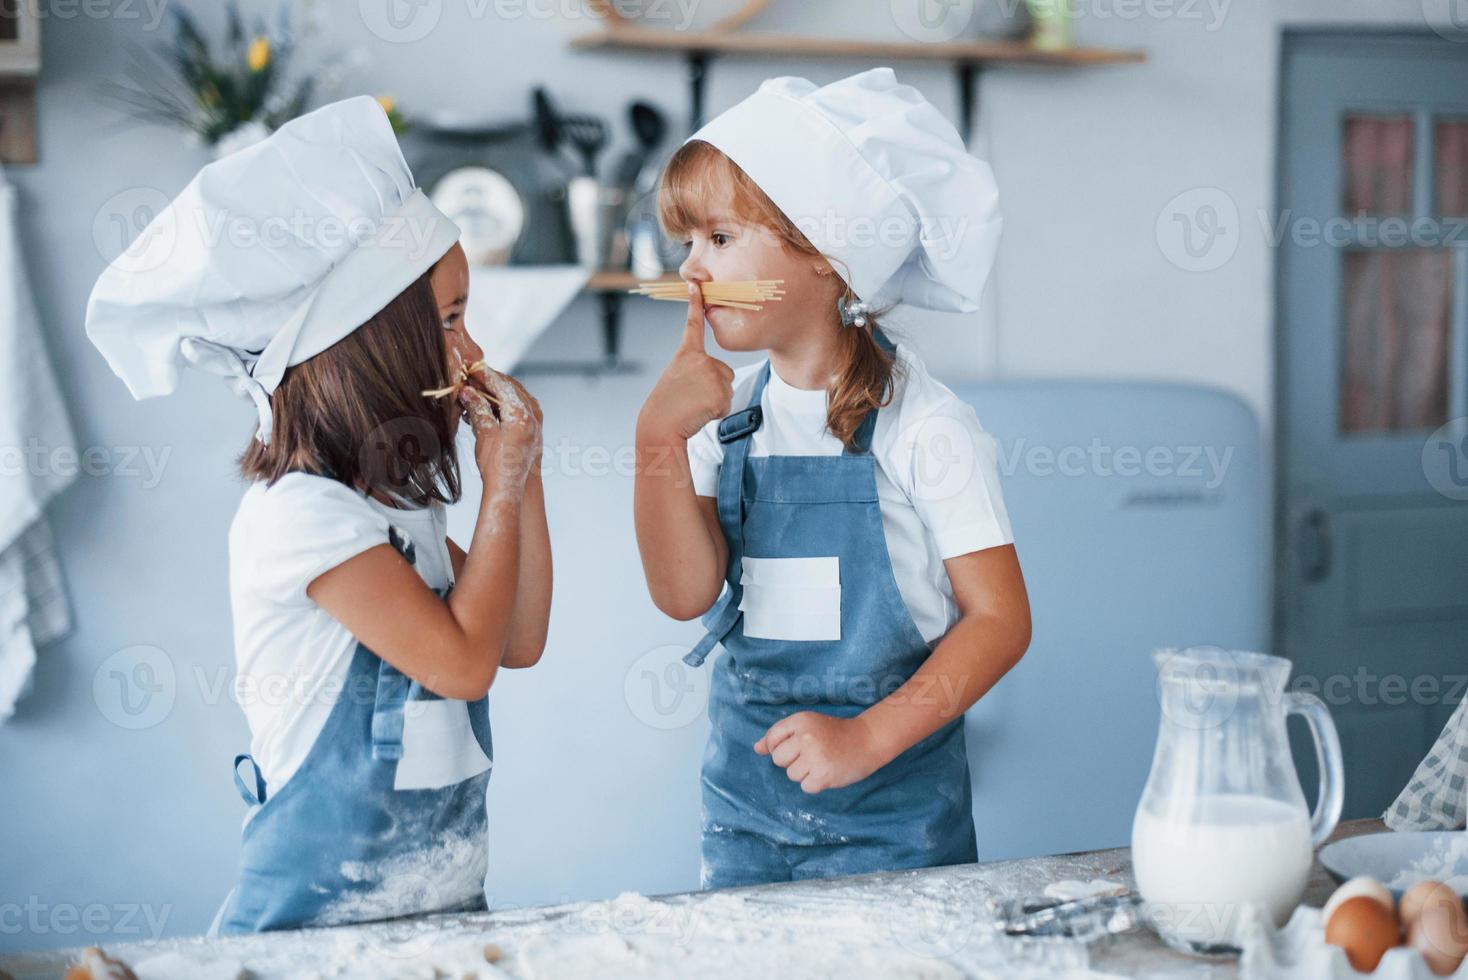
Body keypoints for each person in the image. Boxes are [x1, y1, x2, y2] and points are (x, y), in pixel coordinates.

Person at [85, 96, 551, 931]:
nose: (473, 352)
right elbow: (462, 664)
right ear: (369, 344)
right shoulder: (303, 519)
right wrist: (503, 488)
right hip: (310, 932)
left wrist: (524, 477)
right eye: (449, 321)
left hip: (436, 921)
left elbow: (517, 639)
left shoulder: (398, 510)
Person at [634, 68, 1032, 888]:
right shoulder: (719, 419)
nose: (694, 271)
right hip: (744, 816)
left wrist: (866, 740)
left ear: (823, 254)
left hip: (897, 828)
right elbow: (682, 594)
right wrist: (658, 441)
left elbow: (1000, 621)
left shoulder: (927, 429)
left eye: (719, 238)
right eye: (686, 246)